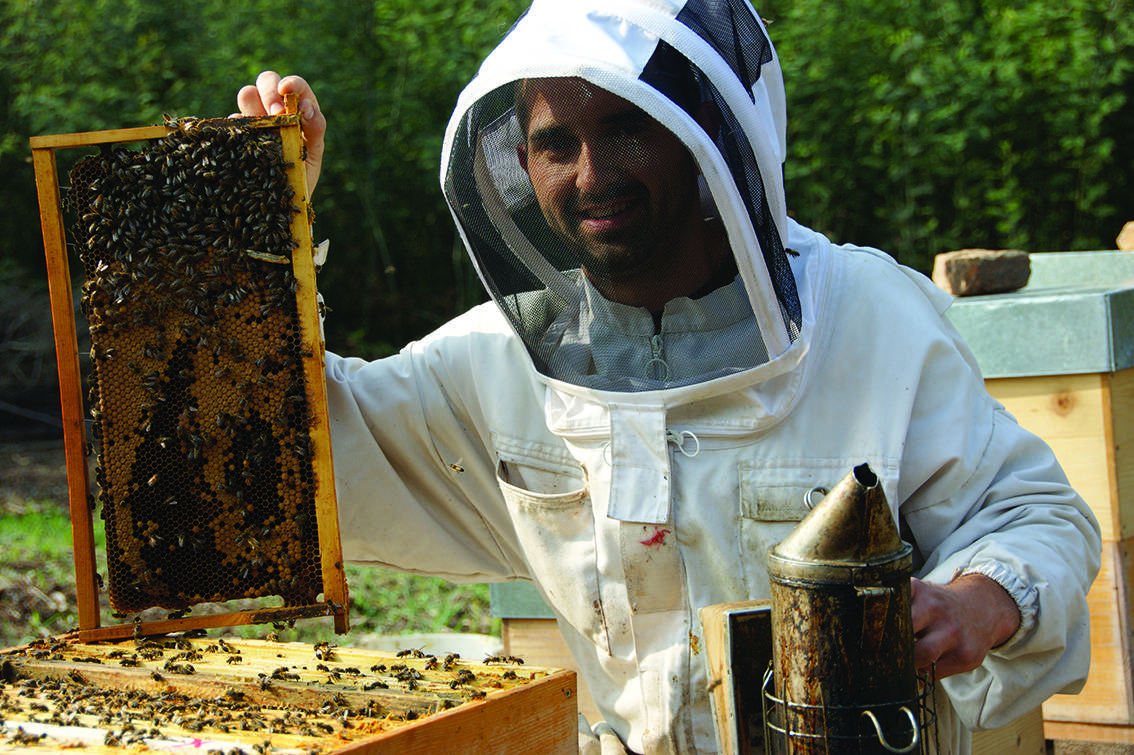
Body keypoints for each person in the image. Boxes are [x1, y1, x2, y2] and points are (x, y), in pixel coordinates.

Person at [236, 2, 1100, 753]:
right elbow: (299, 455)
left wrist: (982, 598)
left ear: (705, 134)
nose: (591, 174)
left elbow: (1035, 513)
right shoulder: (500, 361)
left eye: (626, 127)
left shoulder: (867, 318)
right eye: (554, 143)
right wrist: (264, 222)